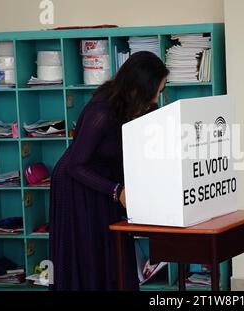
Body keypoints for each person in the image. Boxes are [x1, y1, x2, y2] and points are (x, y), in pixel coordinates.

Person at [49, 51, 169, 291]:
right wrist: (117, 190)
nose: (158, 97)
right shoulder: (102, 110)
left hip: (104, 182)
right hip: (79, 184)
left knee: (111, 253)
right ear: (142, 87)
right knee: (88, 253)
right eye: (158, 89)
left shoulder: (137, 105)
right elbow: (75, 165)